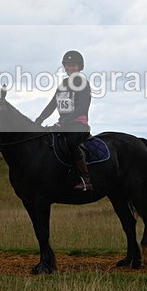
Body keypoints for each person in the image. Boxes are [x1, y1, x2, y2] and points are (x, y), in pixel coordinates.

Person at [35, 50, 93, 191]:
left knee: (71, 142)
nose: (69, 68)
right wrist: (39, 119)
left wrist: (64, 121)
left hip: (79, 124)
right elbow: (52, 104)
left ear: (79, 67)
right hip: (64, 124)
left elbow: (81, 108)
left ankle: (86, 179)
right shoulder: (63, 84)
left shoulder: (82, 83)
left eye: (73, 65)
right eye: (67, 65)